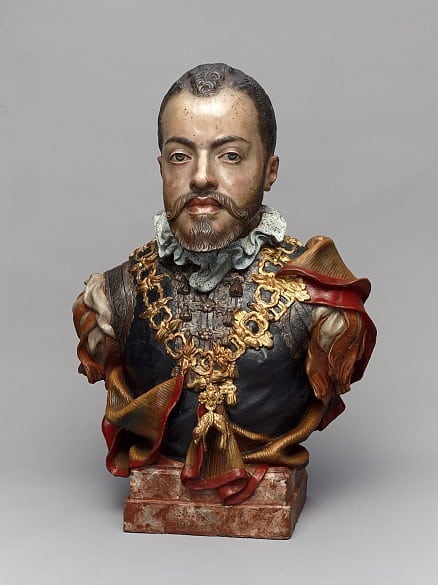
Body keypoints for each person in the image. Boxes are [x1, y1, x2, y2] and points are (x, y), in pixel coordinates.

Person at [73, 63, 376, 505]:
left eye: (230, 155)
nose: (201, 177)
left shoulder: (319, 299)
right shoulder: (114, 296)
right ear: (161, 168)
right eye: (180, 156)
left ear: (270, 170)